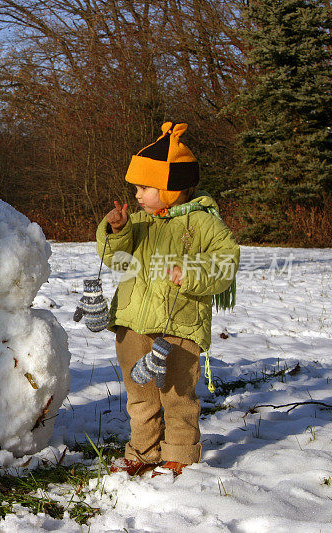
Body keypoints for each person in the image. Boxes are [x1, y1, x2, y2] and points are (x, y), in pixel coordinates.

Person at [97, 122, 239, 475]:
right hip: (132, 323)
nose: (138, 195)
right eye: (137, 188)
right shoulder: (140, 223)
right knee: (140, 395)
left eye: (146, 187)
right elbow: (115, 260)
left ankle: (179, 453)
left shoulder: (204, 224)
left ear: (173, 189)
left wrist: (189, 274)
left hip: (180, 327)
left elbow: (226, 262)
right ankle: (142, 451)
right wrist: (116, 231)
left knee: (177, 395)